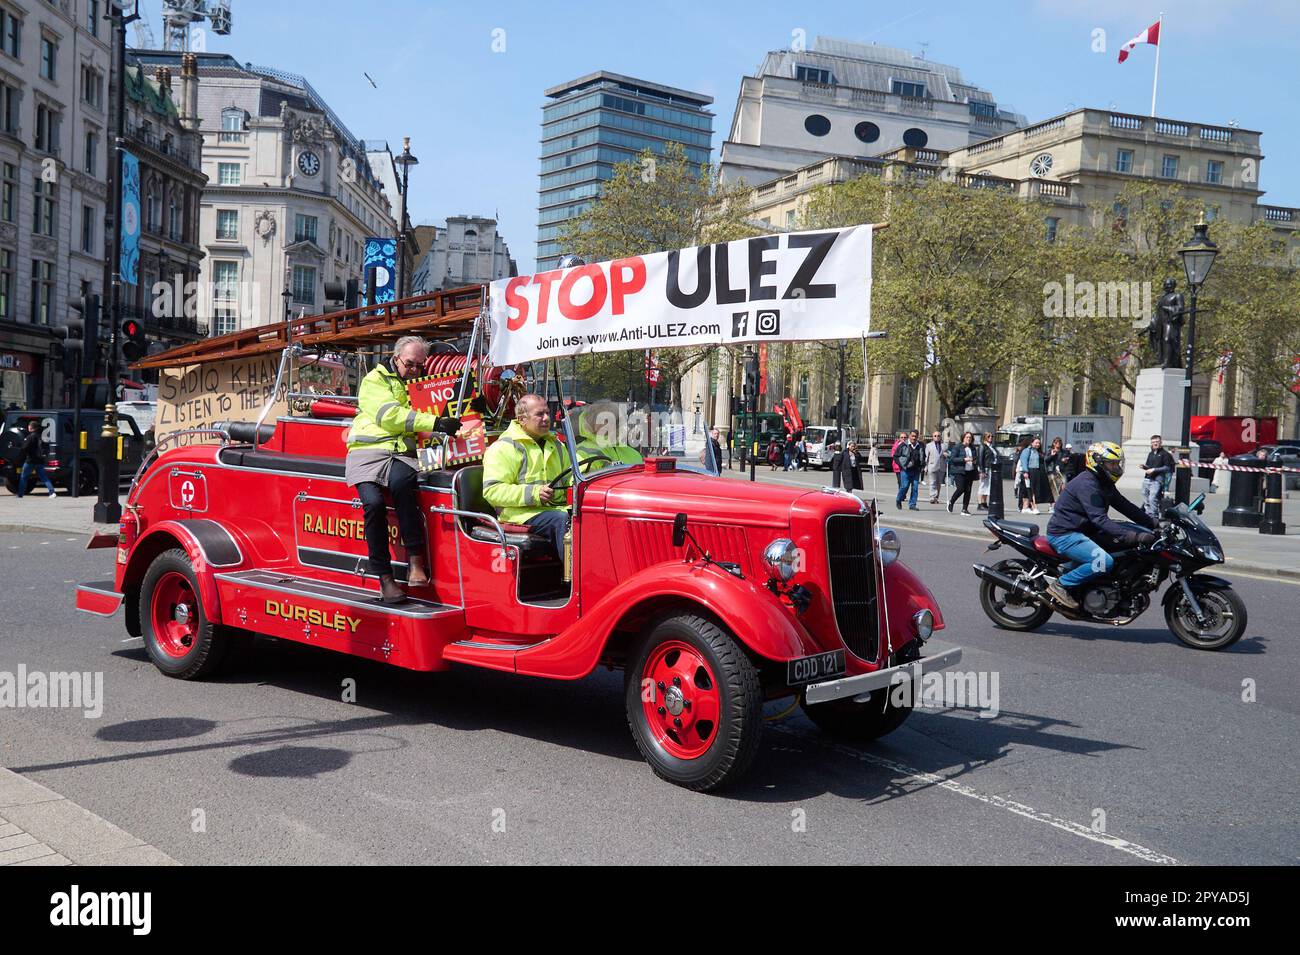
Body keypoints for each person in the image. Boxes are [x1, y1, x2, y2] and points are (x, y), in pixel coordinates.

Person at [346, 336, 463, 604]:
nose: (414, 370)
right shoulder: (375, 380)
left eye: (420, 366)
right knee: (373, 505)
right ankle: (385, 578)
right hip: (367, 453)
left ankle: (415, 562)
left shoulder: (423, 383)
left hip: (402, 454)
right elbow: (390, 417)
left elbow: (447, 402)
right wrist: (437, 422)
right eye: (410, 364)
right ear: (396, 358)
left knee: (402, 487)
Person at [1044, 442, 1157, 610]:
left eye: (1117, 463)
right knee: (1103, 561)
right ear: (1097, 463)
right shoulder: (1087, 484)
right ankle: (1061, 585)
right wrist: (1134, 536)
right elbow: (1100, 519)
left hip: (1085, 531)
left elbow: (1124, 505)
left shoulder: (1103, 482)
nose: (1115, 467)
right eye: (1111, 463)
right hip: (1065, 534)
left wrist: (1152, 522)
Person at [482, 393, 570, 560]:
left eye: (547, 413)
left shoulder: (557, 445)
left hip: (554, 510)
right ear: (522, 419)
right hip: (519, 515)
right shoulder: (503, 447)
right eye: (539, 414)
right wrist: (534, 493)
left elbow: (571, 478)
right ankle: (576, 581)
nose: (546, 418)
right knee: (562, 520)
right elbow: (492, 491)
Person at [15, 421, 56, 498]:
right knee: (44, 477)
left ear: (31, 427)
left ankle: (20, 494)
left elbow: (25, 448)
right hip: (40, 461)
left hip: (30, 461)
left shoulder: (30, 437)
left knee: (24, 477)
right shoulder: (42, 436)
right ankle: (52, 492)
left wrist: (19, 448)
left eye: (29, 426)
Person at [1140, 434, 1176, 521]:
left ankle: (1154, 516)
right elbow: (1149, 466)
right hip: (1147, 478)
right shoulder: (1151, 453)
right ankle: (1148, 515)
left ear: (1161, 442)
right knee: (1145, 497)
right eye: (1153, 442)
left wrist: (1154, 470)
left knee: (1152, 498)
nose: (1155, 443)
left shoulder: (1165, 454)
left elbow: (1167, 467)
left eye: (1157, 442)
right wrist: (1144, 467)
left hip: (1157, 480)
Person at [947, 431, 977, 515]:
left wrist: (974, 461)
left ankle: (964, 509)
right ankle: (951, 502)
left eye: (970, 437)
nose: (969, 439)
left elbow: (975, 457)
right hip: (960, 471)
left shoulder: (973, 448)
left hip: (970, 471)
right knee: (961, 488)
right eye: (967, 437)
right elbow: (952, 459)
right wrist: (964, 459)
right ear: (963, 438)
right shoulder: (958, 447)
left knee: (968, 490)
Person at [894, 429, 923, 510]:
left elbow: (923, 456)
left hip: (916, 470)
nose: (914, 438)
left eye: (915, 436)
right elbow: (896, 456)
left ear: (917, 437)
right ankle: (898, 500)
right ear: (909, 436)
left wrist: (921, 466)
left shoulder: (920, 445)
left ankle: (912, 504)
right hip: (906, 470)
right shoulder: (903, 445)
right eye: (912, 436)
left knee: (915, 487)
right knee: (904, 486)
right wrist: (902, 465)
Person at [1019, 436, 1043, 515]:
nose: (1038, 444)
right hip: (1029, 471)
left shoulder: (1036, 451)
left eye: (1039, 443)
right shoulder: (1027, 450)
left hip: (1036, 471)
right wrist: (1025, 471)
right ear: (1031, 443)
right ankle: (1034, 507)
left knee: (1028, 490)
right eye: (1036, 443)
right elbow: (1024, 460)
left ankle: (1025, 507)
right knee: (1031, 490)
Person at [924, 430, 947, 504]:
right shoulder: (929, 445)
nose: (937, 437)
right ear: (933, 437)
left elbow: (949, 454)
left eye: (938, 436)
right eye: (935, 436)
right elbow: (926, 457)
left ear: (940, 437)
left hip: (941, 466)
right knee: (932, 482)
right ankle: (932, 497)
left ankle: (936, 497)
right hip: (932, 466)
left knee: (938, 483)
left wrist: (946, 455)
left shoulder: (944, 445)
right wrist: (925, 468)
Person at [976, 434, 996, 510]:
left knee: (987, 487)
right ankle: (980, 503)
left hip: (991, 468)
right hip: (985, 468)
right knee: (982, 486)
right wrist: (982, 471)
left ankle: (984, 503)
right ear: (984, 437)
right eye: (989, 436)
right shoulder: (982, 446)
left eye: (992, 436)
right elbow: (980, 459)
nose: (991, 437)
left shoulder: (991, 446)